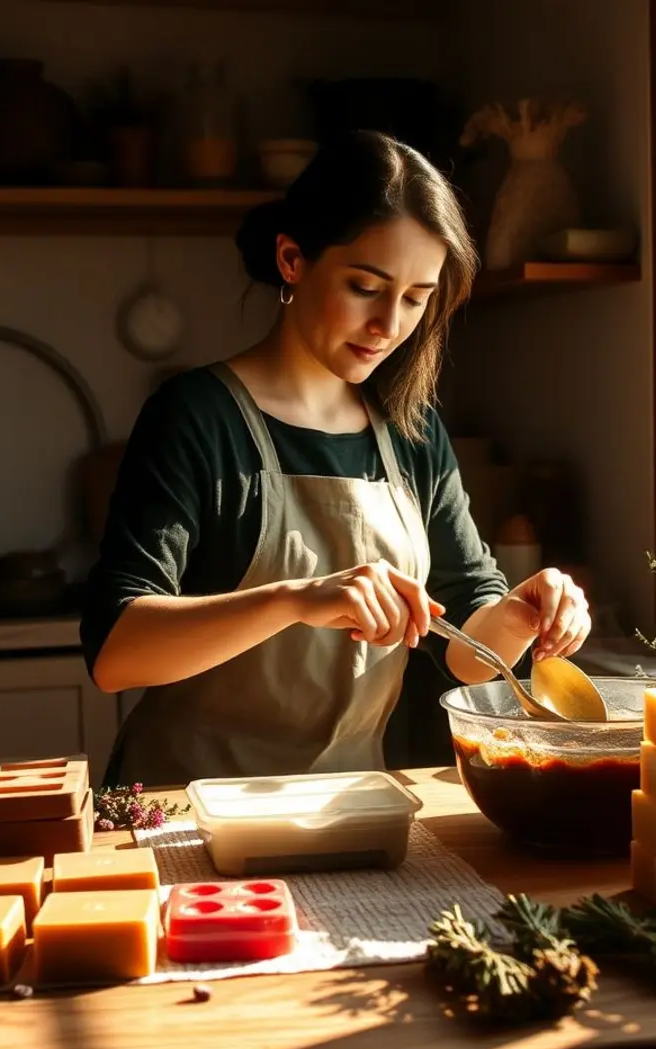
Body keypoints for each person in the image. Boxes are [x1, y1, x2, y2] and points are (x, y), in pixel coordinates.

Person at [84, 131, 592, 786]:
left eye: (415, 298)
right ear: (293, 259)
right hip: (183, 805)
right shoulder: (196, 418)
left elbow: (469, 648)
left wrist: (526, 610)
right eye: (365, 286)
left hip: (345, 802)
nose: (389, 324)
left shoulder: (413, 433)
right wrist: (295, 599)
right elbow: (115, 652)